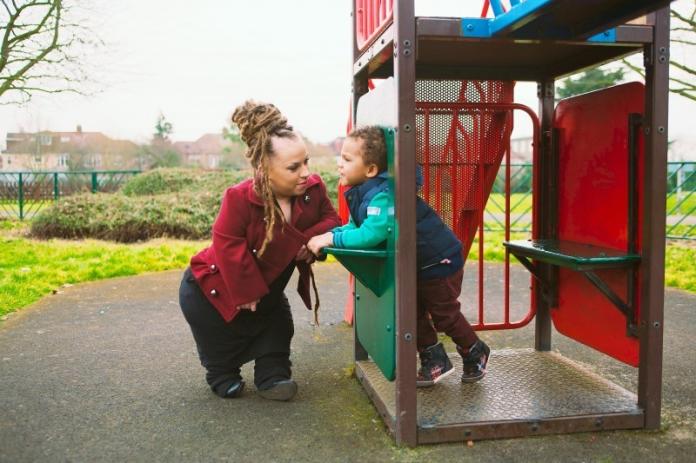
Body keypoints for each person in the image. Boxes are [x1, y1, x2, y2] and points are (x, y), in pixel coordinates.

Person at [179, 100, 341, 401]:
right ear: (264, 168)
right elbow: (226, 241)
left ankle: (273, 375)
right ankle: (221, 373)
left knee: (278, 325)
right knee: (221, 337)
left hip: (268, 291)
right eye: (294, 167)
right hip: (213, 289)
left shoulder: (312, 190)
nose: (306, 172)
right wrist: (247, 291)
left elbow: (332, 220)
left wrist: (307, 241)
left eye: (306, 161)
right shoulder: (239, 198)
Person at [307, 126, 490, 386]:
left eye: (347, 159)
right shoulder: (365, 191)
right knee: (411, 312)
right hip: (417, 264)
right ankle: (435, 359)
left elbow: (371, 234)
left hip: (438, 261)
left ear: (370, 170)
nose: (339, 164)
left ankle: (475, 350)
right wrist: (332, 234)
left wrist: (330, 238)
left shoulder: (382, 196)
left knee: (444, 314)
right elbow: (355, 227)